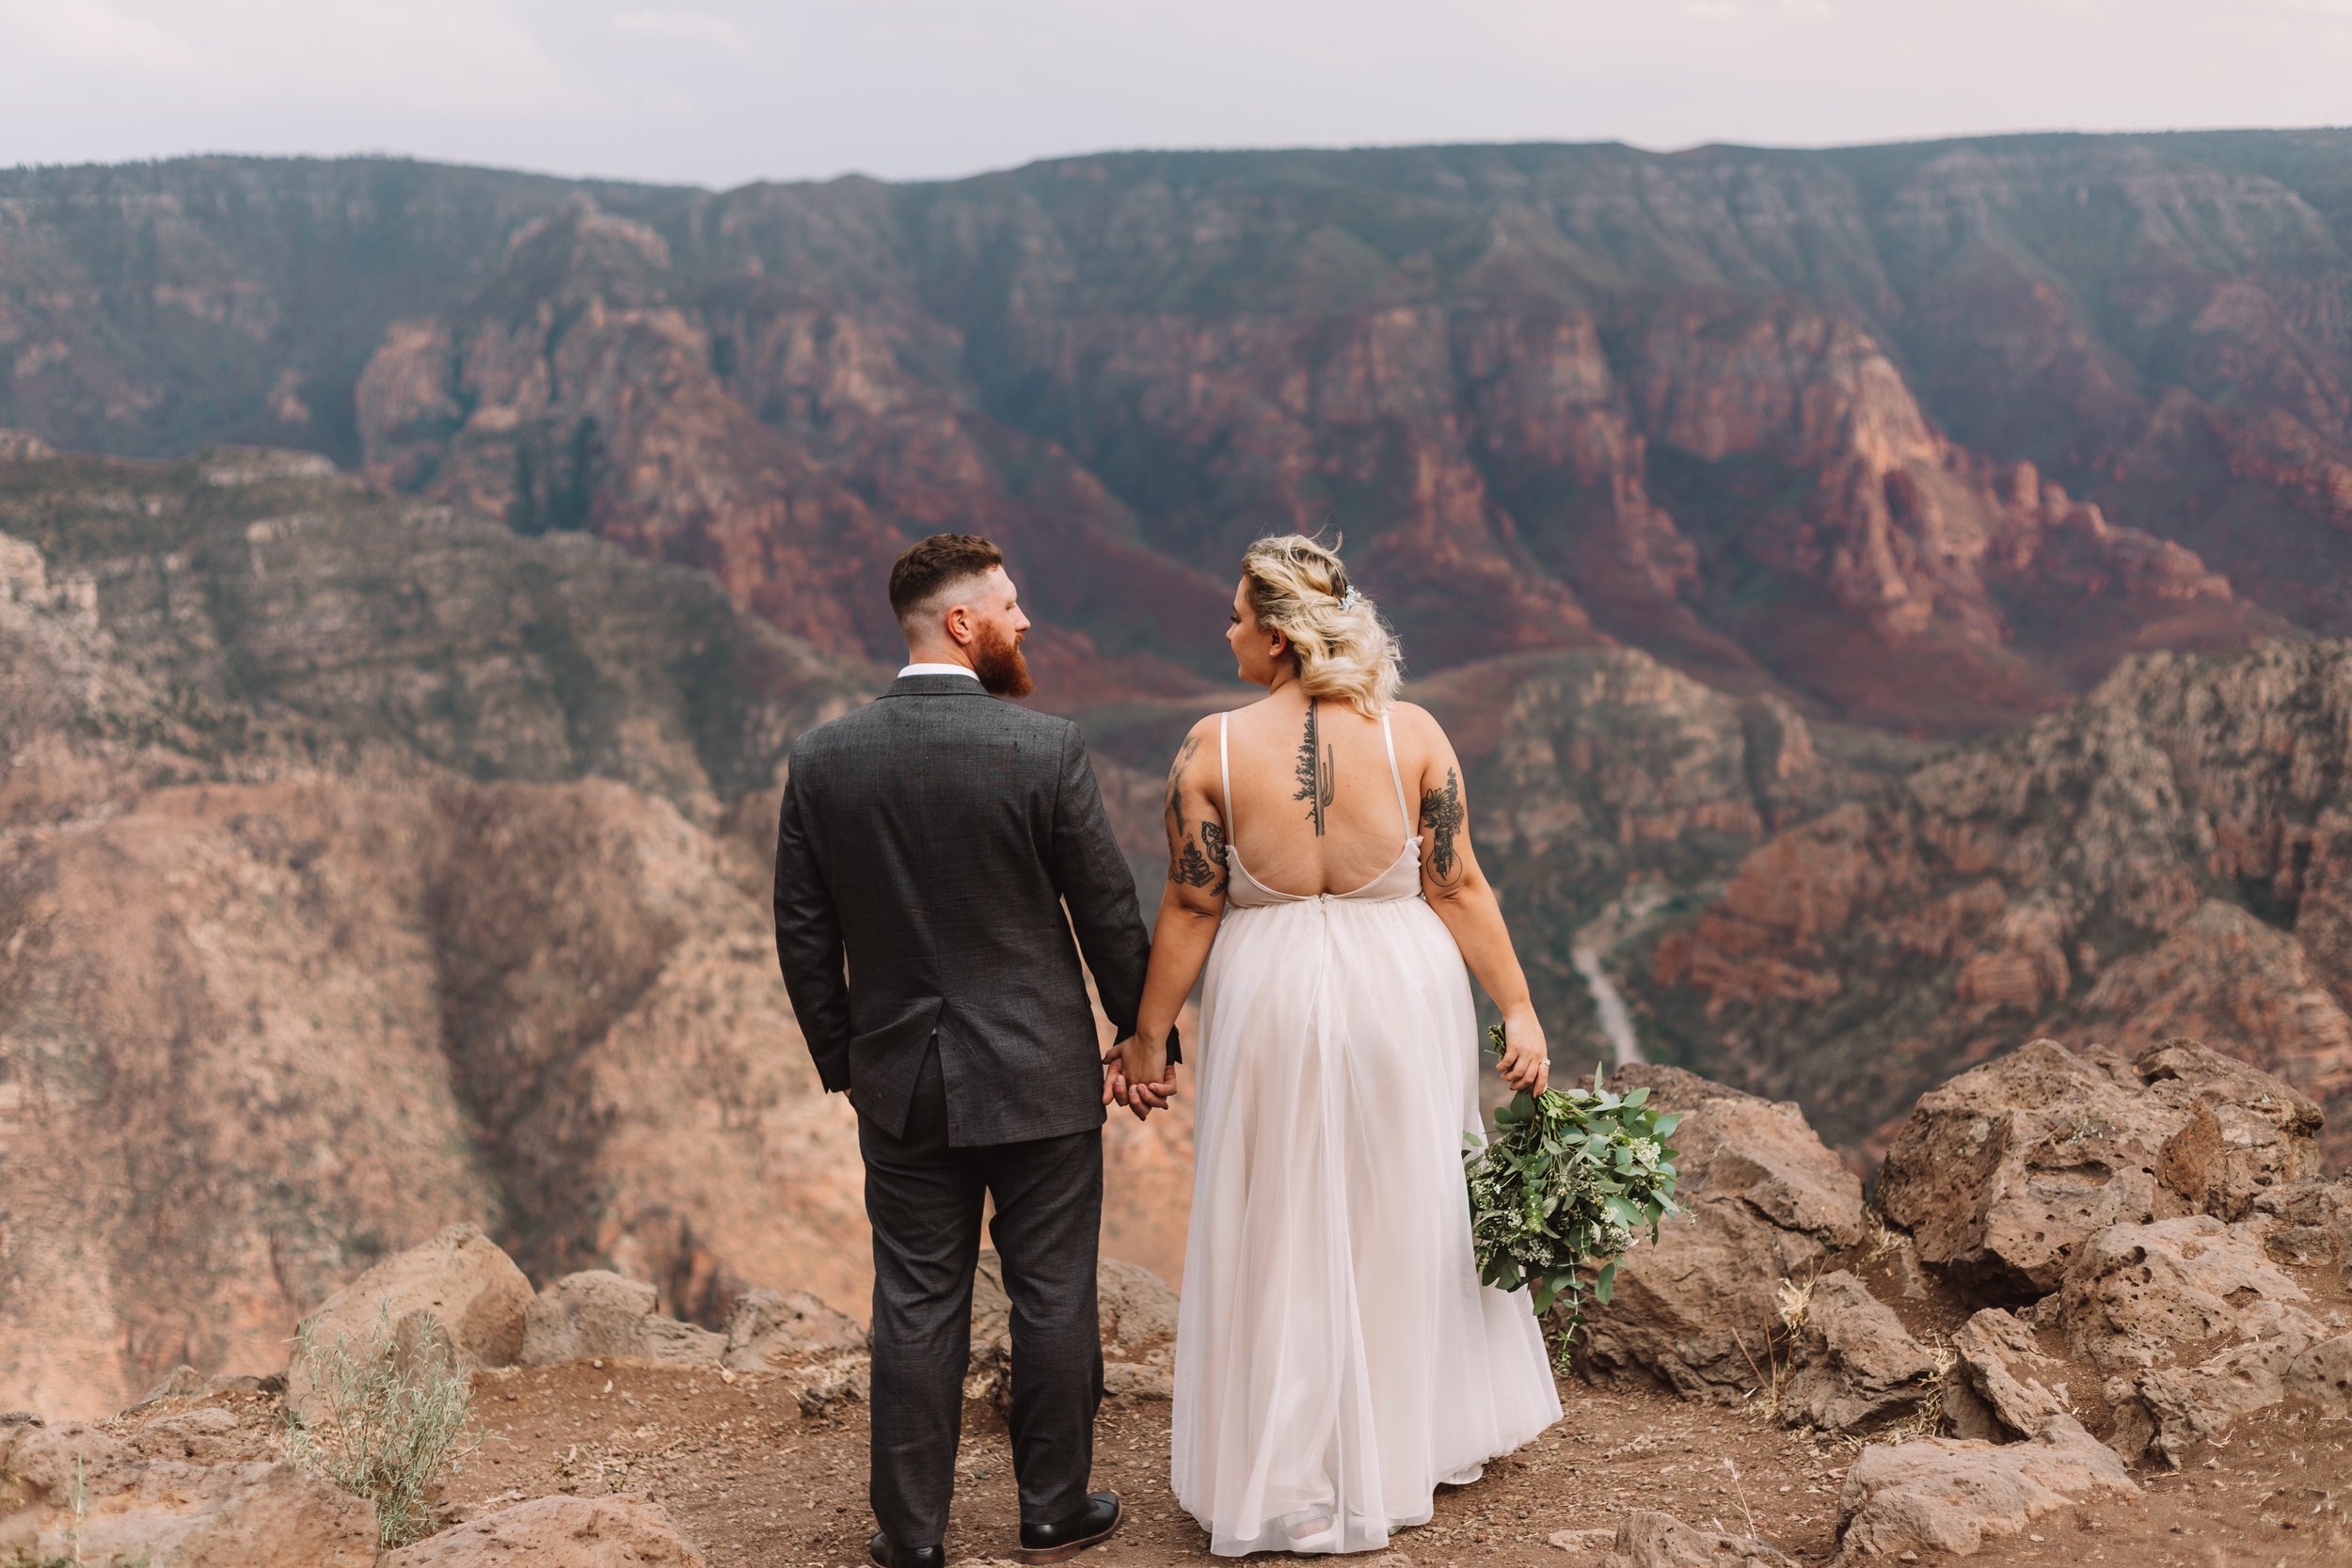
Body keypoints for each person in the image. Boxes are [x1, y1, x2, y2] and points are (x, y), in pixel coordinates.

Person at [1108, 533, 1562, 1556]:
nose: (1225, 630)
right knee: (1403, 1199)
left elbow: (1189, 903)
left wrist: (1147, 1039)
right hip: (1402, 988)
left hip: (1269, 992)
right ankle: (1403, 1439)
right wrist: (1519, 1008)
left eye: (1235, 616)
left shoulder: (1210, 747)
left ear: (1275, 636)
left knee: (1281, 1207)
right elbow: (1457, 883)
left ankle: (1297, 1470)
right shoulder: (1414, 734)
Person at [772, 533, 1175, 1568]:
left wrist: (848, 1060)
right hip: (1039, 1072)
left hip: (901, 1083)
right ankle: (1052, 1509)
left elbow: (803, 932)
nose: (1025, 620)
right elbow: (1107, 914)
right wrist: (1144, 1042)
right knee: (1051, 1292)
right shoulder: (1043, 750)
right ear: (961, 623)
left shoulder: (823, 759)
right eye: (1008, 604)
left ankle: (910, 1536)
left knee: (913, 1301)